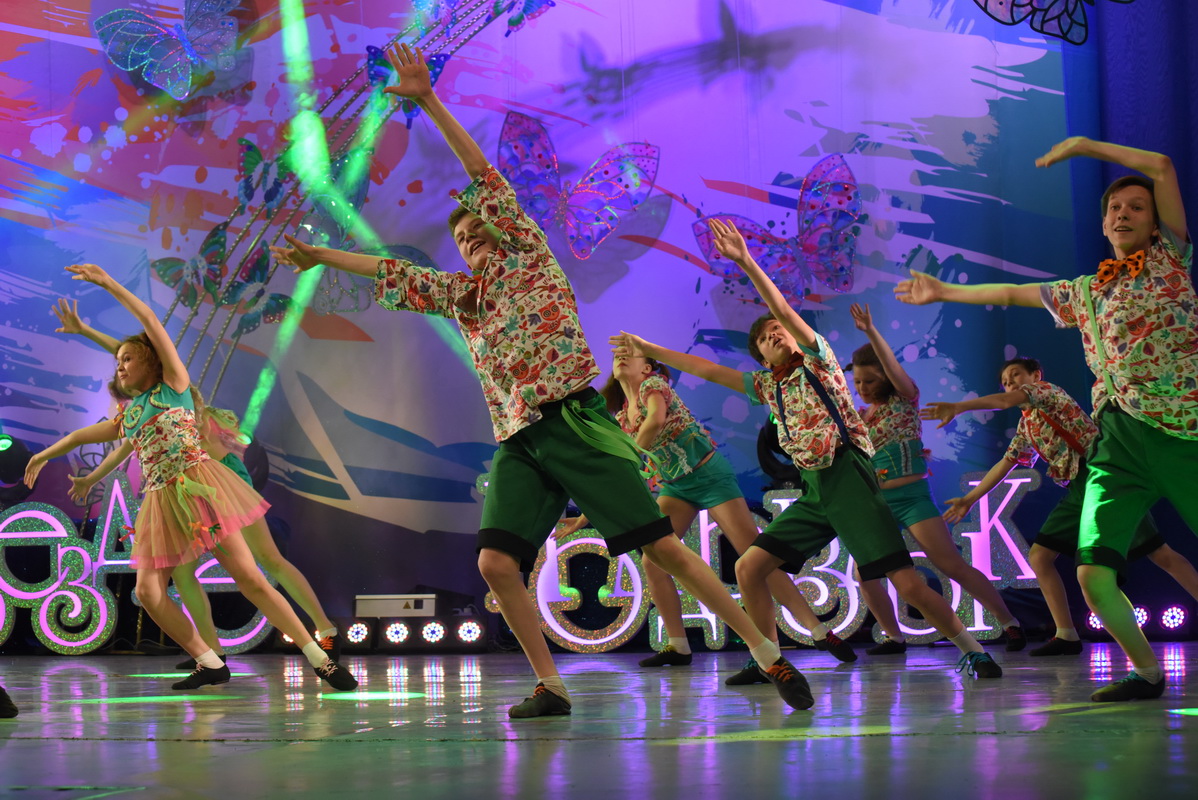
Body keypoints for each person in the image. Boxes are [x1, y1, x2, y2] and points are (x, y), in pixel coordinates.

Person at [271, 43, 814, 716]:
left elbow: (481, 173)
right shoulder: (464, 297)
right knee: (495, 564)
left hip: (573, 422)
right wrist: (319, 256)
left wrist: (428, 100)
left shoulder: (529, 256)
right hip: (520, 440)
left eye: (478, 229)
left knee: (663, 550)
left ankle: (768, 654)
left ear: (501, 229)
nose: (471, 240)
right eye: (461, 238)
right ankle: (550, 687)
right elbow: (393, 272)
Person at [613, 218, 1003, 681]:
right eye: (764, 337)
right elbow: (706, 368)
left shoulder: (819, 363)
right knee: (750, 567)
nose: (774, 334)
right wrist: (649, 347)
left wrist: (746, 260)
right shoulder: (767, 386)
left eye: (778, 329)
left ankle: (972, 649)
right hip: (815, 491)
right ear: (760, 357)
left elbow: (779, 304)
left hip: (850, 480)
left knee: (906, 583)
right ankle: (768, 660)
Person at [897, 137, 1196, 701]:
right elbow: (1013, 292)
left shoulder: (1170, 261)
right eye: (1114, 208)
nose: (1124, 214)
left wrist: (1083, 146)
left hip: (1182, 430)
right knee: (1091, 573)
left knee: (1162, 553)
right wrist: (945, 291)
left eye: (1137, 207)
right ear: (1103, 225)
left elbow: (1161, 163)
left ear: (1156, 223)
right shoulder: (1084, 293)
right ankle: (1147, 673)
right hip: (1117, 444)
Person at [24, 265, 356, 693]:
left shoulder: (174, 386)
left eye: (127, 359)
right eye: (117, 362)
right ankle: (209, 659)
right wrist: (44, 455)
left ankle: (318, 658)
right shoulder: (130, 413)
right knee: (148, 593)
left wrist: (108, 283)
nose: (119, 366)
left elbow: (149, 321)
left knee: (251, 577)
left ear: (151, 360)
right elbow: (79, 436)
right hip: (161, 502)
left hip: (200, 487)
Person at [560, 353, 856, 681]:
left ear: (647, 367)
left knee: (755, 557)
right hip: (676, 486)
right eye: (617, 356)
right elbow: (621, 473)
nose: (620, 359)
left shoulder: (654, 386)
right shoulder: (622, 417)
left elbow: (655, 421)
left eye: (629, 355)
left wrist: (630, 455)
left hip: (709, 475)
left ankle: (816, 630)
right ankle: (678, 645)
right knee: (653, 560)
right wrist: (585, 516)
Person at [923, 356, 1198, 656]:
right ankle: (1066, 634)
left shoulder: (1046, 392)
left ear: (1036, 375)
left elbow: (1003, 401)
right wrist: (968, 499)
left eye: (1015, 375)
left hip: (1101, 478)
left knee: (1161, 554)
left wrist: (959, 407)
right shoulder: (1026, 424)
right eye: (1005, 381)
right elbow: (1007, 462)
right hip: (1076, 491)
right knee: (1040, 557)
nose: (1010, 383)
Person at [846, 302, 1023, 655]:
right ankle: (893, 637)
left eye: (870, 380)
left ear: (885, 377)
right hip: (877, 504)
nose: (862, 388)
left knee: (950, 563)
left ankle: (1010, 623)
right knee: (864, 575)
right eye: (858, 382)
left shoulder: (904, 398)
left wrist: (871, 332)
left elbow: (893, 368)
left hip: (912, 498)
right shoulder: (862, 416)